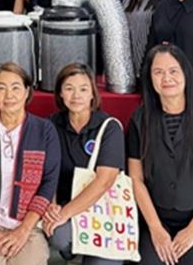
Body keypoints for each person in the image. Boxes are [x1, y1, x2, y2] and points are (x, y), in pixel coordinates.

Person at [128, 45, 193, 265]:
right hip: (156, 218)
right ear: (149, 78)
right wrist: (156, 229)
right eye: (158, 72)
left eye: (173, 71)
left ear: (186, 73)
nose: (167, 78)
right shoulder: (140, 120)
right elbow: (135, 179)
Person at [0, 62, 60, 265]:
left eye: (16, 87)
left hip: (30, 226)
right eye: (1, 88)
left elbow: (48, 183)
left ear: (27, 92)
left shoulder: (45, 130)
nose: (9, 95)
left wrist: (23, 231)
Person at [44, 64, 125, 265]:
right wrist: (52, 206)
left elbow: (104, 181)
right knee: (59, 235)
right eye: (69, 88)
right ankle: (73, 251)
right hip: (66, 204)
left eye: (83, 89)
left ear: (92, 94)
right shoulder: (51, 125)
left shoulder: (109, 127)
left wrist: (64, 214)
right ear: (60, 93)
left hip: (105, 209)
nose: (76, 95)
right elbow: (47, 171)